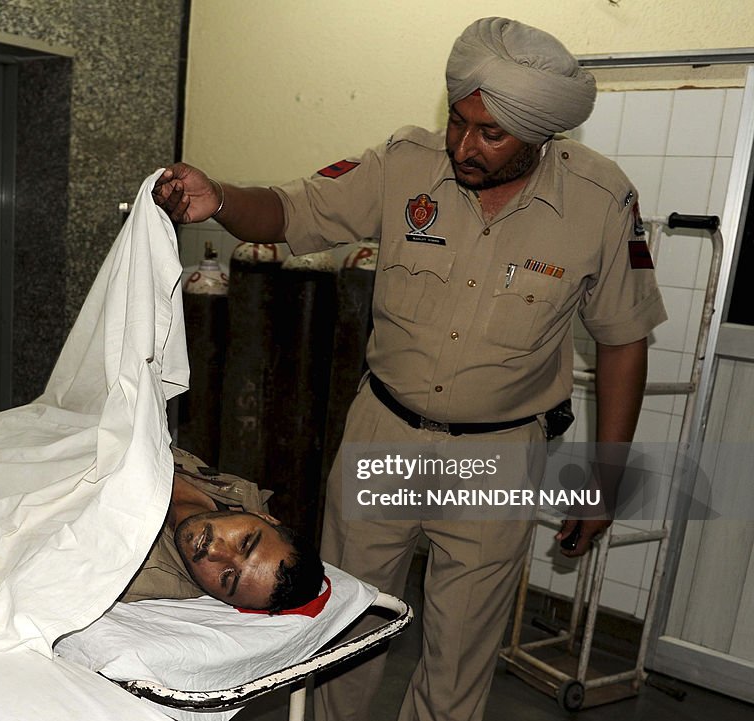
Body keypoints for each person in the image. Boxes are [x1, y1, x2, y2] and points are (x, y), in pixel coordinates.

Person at [152, 16, 667, 721]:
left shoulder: (601, 202)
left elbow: (624, 339)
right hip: (384, 430)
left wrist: (606, 479)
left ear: (543, 137)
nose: (464, 145)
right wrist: (221, 197)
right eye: (458, 122)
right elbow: (292, 209)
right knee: (346, 631)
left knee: (459, 656)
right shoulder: (405, 163)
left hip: (497, 452)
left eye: (491, 134)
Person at [121, 446, 325, 612]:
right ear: (263, 517)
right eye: (245, 542)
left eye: (227, 577)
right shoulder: (232, 494)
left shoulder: (133, 572)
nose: (215, 551)